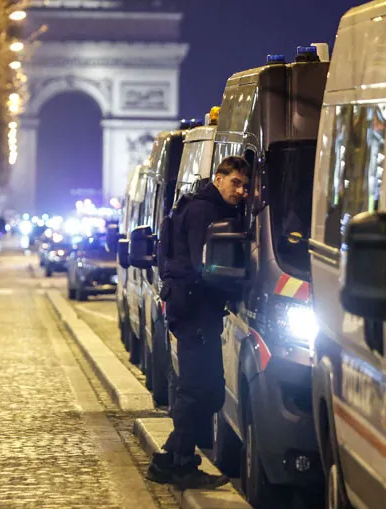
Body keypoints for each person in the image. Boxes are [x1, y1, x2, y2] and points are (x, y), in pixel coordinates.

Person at [146, 156, 250, 490]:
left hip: (191, 306)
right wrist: (240, 287)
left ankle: (168, 460)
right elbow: (206, 266)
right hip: (195, 309)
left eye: (246, 185)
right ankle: (182, 466)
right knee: (200, 389)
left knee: (204, 389)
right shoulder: (205, 211)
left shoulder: (200, 205)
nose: (242, 191)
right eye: (235, 182)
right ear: (218, 178)